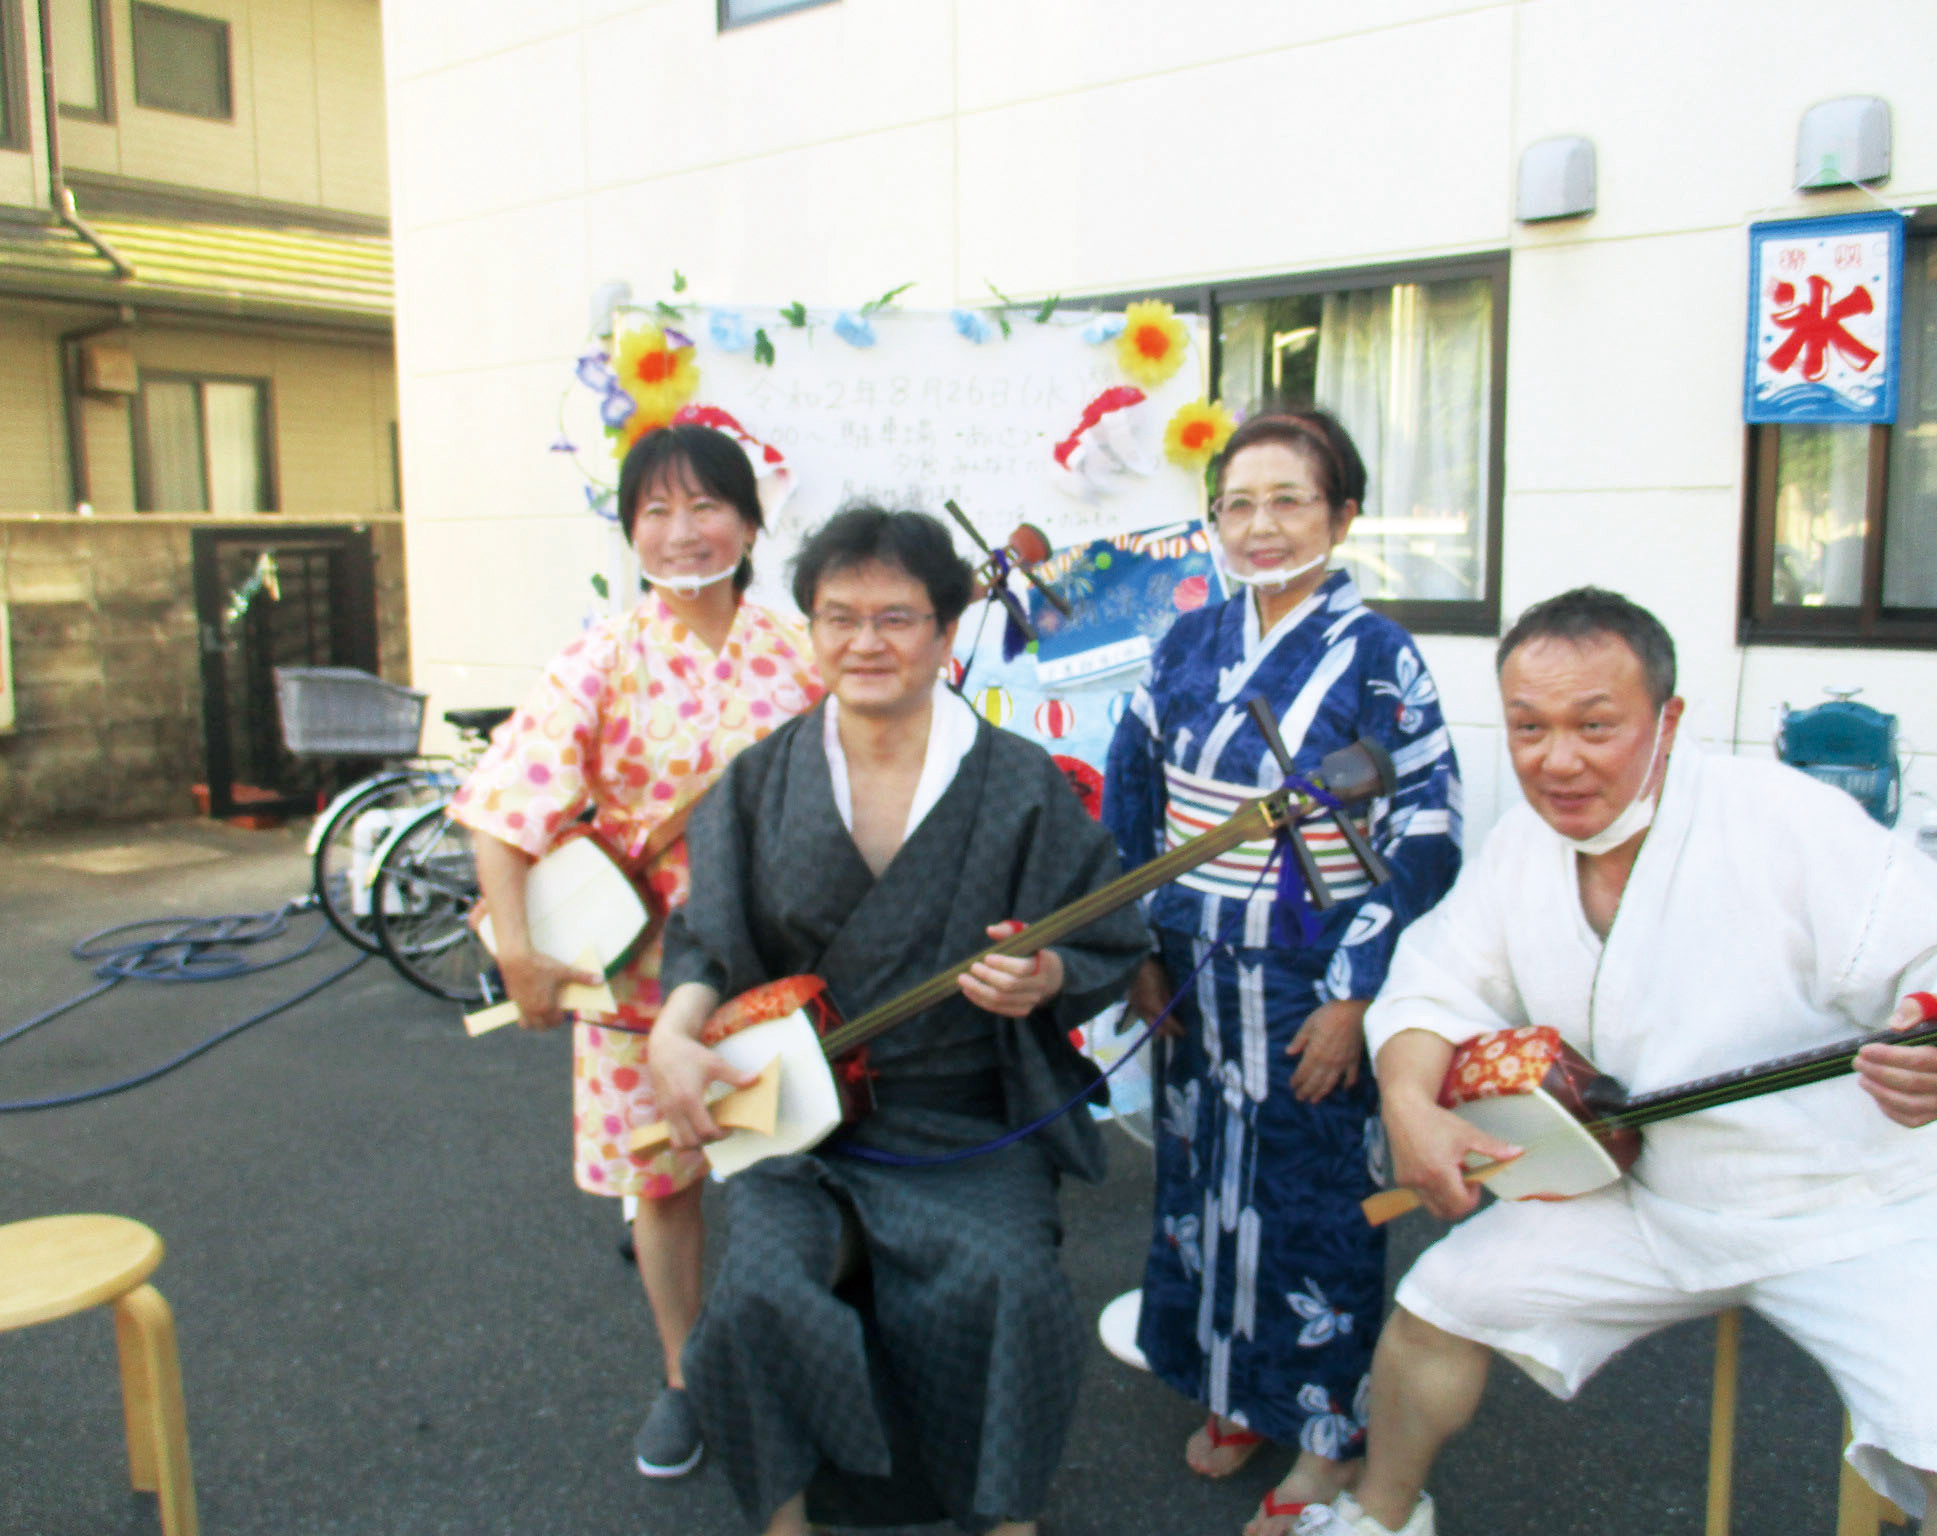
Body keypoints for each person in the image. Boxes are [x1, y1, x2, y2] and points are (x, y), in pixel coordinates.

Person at [1298, 586, 1937, 1536]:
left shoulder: (1781, 817)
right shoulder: (1525, 847)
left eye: (1595, 726)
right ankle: (1380, 1513)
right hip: (1650, 1196)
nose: (1555, 759)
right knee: (1436, 1306)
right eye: (1527, 727)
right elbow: (1431, 982)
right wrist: (1407, 1099)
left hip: (1854, 1207)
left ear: (1669, 719)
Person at [645, 506, 1150, 1536]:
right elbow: (705, 933)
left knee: (1008, 1284)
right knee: (755, 1297)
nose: (864, 641)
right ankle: (786, 1518)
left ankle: (1001, 1516)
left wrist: (1045, 974)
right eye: (837, 616)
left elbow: (1105, 930)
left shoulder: (1017, 783)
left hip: (963, 1115)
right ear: (810, 628)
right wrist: (673, 1029)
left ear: (947, 629)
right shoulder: (761, 777)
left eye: (895, 616)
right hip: (800, 1117)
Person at [1100, 408, 1463, 1535]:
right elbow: (1132, 799)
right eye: (1237, 504)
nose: (1259, 527)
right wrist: (1135, 956)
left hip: (1314, 977)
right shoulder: (1186, 643)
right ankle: (1230, 1386)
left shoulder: (1380, 655)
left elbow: (1428, 833)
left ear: (1342, 513)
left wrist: (1356, 995)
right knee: (1202, 1189)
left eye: (1287, 500)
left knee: (1313, 1204)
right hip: (1195, 969)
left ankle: (1323, 1433)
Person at [451, 424, 823, 1479]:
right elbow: (502, 804)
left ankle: (811, 1361)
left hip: (776, 969)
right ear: (630, 534)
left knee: (800, 1161)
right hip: (636, 980)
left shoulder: (802, 649)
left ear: (750, 523)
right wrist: (518, 953)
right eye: (653, 511)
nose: (681, 530)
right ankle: (684, 1375)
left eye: (705, 505)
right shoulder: (601, 654)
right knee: (664, 1185)